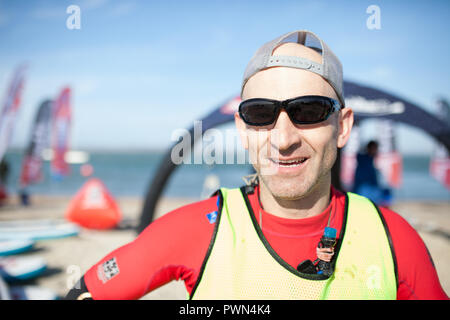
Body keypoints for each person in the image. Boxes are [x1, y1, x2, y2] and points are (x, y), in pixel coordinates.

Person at [66, 30, 447, 300]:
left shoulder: (394, 240)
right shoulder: (196, 230)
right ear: (243, 129)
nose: (283, 139)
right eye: (261, 114)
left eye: (309, 111)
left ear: (342, 126)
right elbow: (84, 292)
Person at [353, 140, 392, 207]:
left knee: (387, 192)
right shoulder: (365, 162)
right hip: (365, 192)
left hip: (366, 191)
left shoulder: (367, 160)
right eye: (374, 149)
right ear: (369, 149)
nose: (376, 151)